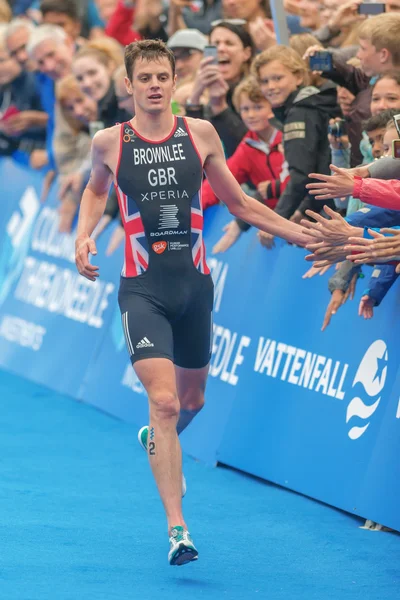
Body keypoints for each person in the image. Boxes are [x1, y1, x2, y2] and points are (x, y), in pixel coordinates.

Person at [74, 39, 311, 566]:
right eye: (146, 78)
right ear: (130, 85)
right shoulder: (110, 142)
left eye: (164, 76)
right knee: (164, 403)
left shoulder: (198, 135)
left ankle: (157, 439)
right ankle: (178, 530)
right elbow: (94, 190)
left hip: (195, 289)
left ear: (175, 83)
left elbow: (239, 202)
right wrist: (84, 234)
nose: (155, 85)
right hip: (143, 291)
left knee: (192, 403)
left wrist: (300, 235)